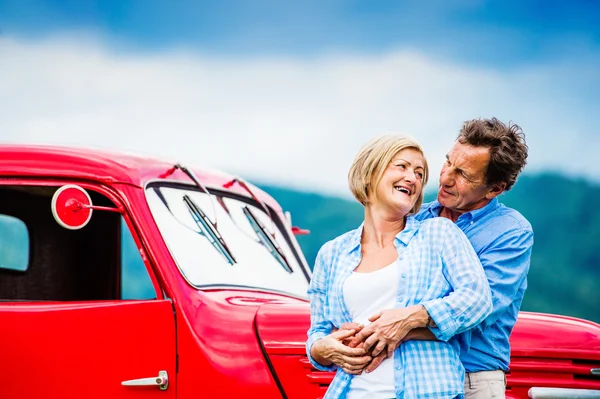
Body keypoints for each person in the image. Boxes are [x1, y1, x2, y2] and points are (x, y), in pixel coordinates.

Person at [306, 135, 493, 399]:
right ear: (370, 173)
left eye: (419, 173)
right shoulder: (331, 253)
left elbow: (477, 299)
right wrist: (321, 350)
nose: (413, 178)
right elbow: (319, 331)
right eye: (402, 166)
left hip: (425, 391)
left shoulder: (438, 233)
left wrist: (410, 318)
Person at [413, 118, 534, 398]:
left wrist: (399, 322)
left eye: (464, 175)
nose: (445, 178)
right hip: (414, 369)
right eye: (448, 162)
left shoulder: (511, 232)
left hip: (472, 378)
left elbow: (479, 310)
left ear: (495, 188)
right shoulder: (415, 218)